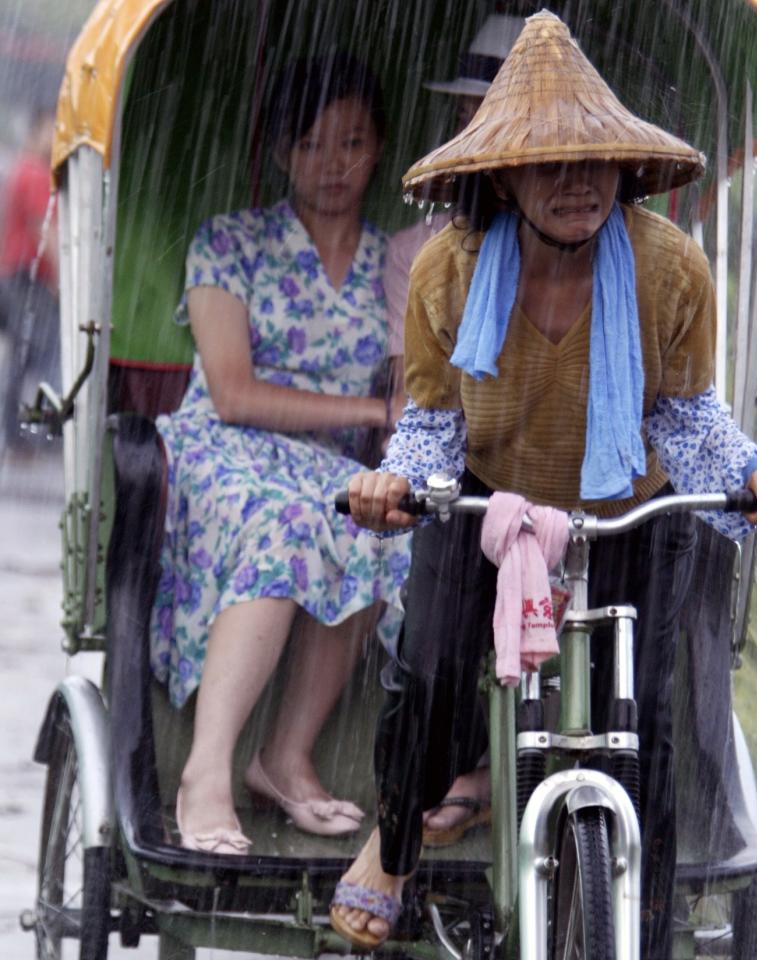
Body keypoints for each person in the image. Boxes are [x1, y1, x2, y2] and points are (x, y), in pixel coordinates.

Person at [330, 13, 757, 957]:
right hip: (487, 495)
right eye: (549, 164)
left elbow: (685, 414)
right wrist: (395, 482)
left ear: (624, 169)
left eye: (594, 162)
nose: (576, 183)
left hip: (632, 510)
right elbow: (434, 422)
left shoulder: (672, 268)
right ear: (502, 175)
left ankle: (649, 919)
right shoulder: (450, 270)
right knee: (426, 674)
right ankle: (391, 848)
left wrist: (756, 468)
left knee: (651, 725)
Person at [149, 53, 410, 855]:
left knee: (382, 521)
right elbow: (232, 391)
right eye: (309, 145)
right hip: (223, 450)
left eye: (352, 142)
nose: (331, 166)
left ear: (379, 148)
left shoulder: (395, 263)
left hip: (330, 463)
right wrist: (372, 407)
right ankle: (205, 770)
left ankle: (287, 755)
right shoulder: (229, 243)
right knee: (283, 521)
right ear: (278, 151)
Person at [384, 11, 524, 851]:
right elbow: (421, 398)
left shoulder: (614, 244)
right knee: (433, 609)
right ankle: (402, 817)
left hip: (562, 469)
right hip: (449, 456)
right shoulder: (432, 250)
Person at [0, 105, 59, 450]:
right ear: (37, 130)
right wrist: (61, 279)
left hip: (16, 273)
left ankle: (16, 431)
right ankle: (37, 432)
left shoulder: (22, 169)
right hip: (27, 275)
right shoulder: (35, 172)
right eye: (52, 129)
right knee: (42, 351)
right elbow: (42, 228)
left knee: (23, 354)